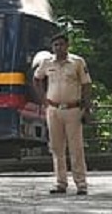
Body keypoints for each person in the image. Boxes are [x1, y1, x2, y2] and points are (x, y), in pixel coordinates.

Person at [34, 31, 94, 195]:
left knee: (76, 148)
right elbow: (37, 78)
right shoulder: (47, 62)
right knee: (56, 147)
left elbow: (86, 84)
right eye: (55, 45)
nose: (58, 48)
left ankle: (81, 184)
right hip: (53, 109)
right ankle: (61, 182)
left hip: (73, 109)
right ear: (52, 47)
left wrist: (86, 107)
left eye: (61, 44)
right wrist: (43, 99)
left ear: (67, 46)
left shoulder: (77, 62)